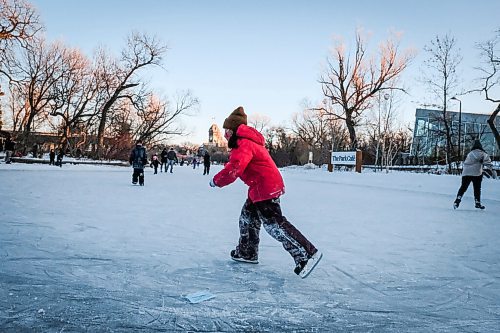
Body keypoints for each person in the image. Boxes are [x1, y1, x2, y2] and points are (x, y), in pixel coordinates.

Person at [208, 106, 322, 278]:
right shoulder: (246, 142)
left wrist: (217, 180)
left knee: (274, 224)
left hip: (265, 187)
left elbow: (235, 168)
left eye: (227, 130)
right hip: (259, 187)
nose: (225, 134)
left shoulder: (244, 143)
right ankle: (247, 252)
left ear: (234, 130)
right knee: (247, 218)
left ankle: (306, 254)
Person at [453, 139, 495, 210]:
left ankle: (457, 200)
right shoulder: (483, 154)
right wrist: (492, 170)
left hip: (466, 173)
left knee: (463, 187)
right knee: (477, 188)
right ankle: (477, 202)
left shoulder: (470, 154)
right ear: (480, 147)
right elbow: (488, 163)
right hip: (476, 173)